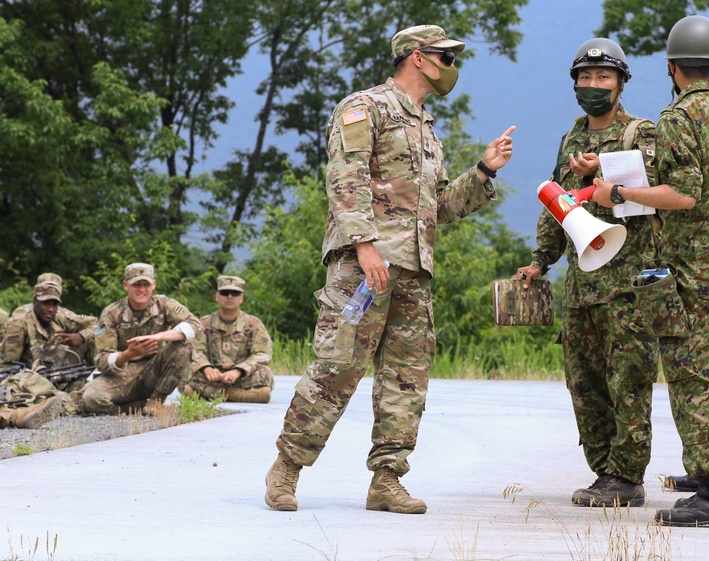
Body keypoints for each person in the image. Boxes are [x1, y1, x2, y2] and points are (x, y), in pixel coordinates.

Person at [264, 24, 515, 514]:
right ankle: (286, 469)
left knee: (406, 380)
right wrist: (364, 245)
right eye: (445, 56)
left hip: (414, 274)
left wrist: (484, 172)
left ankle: (386, 480)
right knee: (336, 369)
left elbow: (438, 206)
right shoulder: (366, 108)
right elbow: (346, 176)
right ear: (417, 57)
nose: (451, 65)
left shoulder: (425, 125)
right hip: (366, 269)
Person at [591, 15, 709, 528]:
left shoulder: (678, 119)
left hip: (698, 275)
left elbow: (683, 194)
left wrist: (617, 193)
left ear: (673, 67)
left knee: (695, 379)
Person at [516, 37, 659, 508]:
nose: (593, 85)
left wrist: (605, 180)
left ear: (621, 83)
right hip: (582, 286)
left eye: (603, 77)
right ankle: (604, 472)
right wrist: (541, 260)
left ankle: (627, 476)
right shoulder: (572, 137)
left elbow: (655, 200)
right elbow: (555, 204)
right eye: (585, 77)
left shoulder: (641, 135)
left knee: (629, 380)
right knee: (584, 381)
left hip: (628, 285)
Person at [79, 263, 200, 415]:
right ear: (125, 285)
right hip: (122, 374)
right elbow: (101, 360)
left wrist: (159, 336)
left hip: (153, 370)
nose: (141, 289)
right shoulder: (111, 314)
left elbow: (195, 325)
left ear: (153, 285)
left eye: (146, 284)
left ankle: (157, 401)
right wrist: (127, 354)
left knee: (183, 347)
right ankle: (136, 406)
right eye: (136, 284)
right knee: (90, 399)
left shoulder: (164, 305)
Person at [185, 275, 274, 403]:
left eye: (235, 293)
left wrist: (238, 371)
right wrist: (207, 368)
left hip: (241, 378)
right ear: (217, 296)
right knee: (184, 371)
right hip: (212, 377)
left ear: (241, 298)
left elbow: (263, 354)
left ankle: (210, 394)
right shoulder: (204, 323)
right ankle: (240, 396)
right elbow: (194, 351)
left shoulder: (253, 324)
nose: (230, 296)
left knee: (264, 373)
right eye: (225, 292)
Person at [2, 280, 97, 377]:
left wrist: (81, 336)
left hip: (60, 373)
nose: (51, 309)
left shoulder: (60, 319)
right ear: (35, 303)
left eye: (54, 304)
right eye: (46, 303)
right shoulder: (19, 326)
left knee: (93, 339)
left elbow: (99, 326)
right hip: (30, 380)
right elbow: (8, 365)